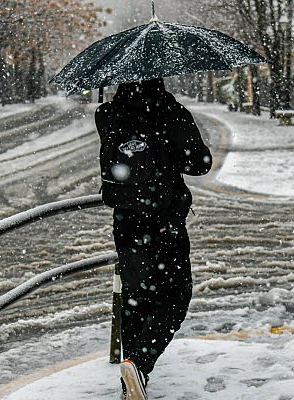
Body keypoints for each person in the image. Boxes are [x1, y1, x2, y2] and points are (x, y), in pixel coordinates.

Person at [95, 78, 212, 400]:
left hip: (126, 220)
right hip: (165, 220)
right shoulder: (170, 112)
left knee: (135, 299)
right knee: (175, 296)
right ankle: (140, 362)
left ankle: (130, 380)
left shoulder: (108, 114)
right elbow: (200, 164)